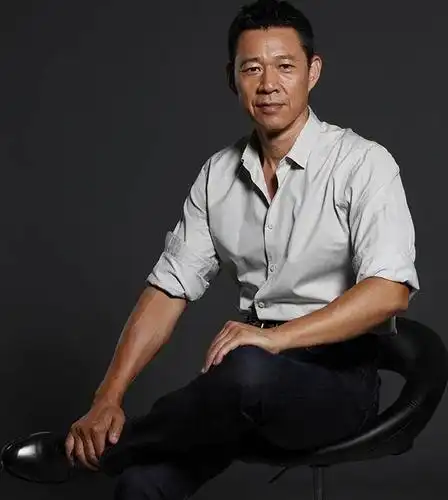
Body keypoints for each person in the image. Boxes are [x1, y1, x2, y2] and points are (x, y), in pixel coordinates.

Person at [64, 0, 420, 498]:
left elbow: (389, 292)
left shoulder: (363, 164)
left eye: (285, 66)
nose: (268, 83)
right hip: (242, 387)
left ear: (313, 72)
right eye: (252, 68)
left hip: (338, 385)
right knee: (141, 487)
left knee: (245, 369)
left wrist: (276, 340)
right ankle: (118, 451)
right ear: (232, 78)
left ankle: (107, 451)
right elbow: (168, 290)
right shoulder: (218, 175)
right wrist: (107, 398)